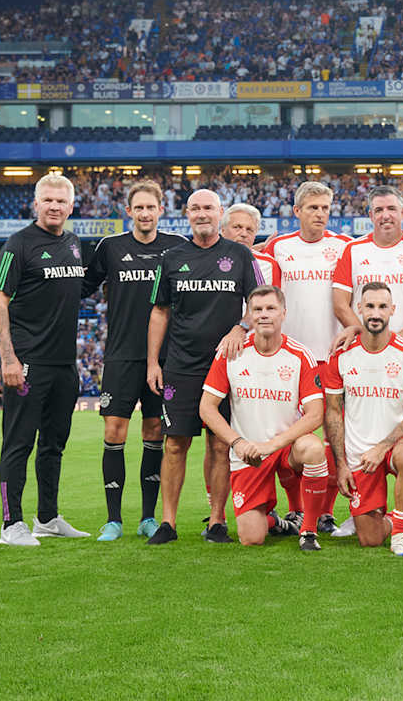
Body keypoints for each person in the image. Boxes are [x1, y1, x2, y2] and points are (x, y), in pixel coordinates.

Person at [145, 189, 262, 545]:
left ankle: (216, 522)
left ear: (219, 212)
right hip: (180, 365)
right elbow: (159, 311)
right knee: (175, 444)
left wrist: (240, 327)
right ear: (186, 213)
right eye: (195, 208)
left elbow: (259, 302)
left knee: (219, 446)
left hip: (227, 367)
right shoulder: (171, 257)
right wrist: (153, 361)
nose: (202, 213)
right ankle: (168, 523)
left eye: (208, 207)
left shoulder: (240, 255)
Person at [332, 185, 403, 538]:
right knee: (356, 426)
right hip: (364, 354)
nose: (386, 215)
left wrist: (399, 340)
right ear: (370, 214)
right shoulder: (354, 250)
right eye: (378, 210)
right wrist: (362, 333)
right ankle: (359, 508)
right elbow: (341, 302)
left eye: (392, 208)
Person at [0, 172, 90, 546]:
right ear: (36, 203)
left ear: (71, 206)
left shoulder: (76, 243)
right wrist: (9, 359)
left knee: (53, 444)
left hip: (65, 364)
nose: (54, 206)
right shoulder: (18, 244)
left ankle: (46, 517)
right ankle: (10, 524)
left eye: (61, 201)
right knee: (18, 444)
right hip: (28, 362)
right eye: (47, 200)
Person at [81, 179, 184, 541]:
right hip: (121, 354)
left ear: (161, 210)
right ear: (128, 211)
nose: (144, 213)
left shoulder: (176, 247)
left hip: (163, 358)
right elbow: (82, 286)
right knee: (114, 432)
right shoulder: (110, 248)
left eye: (150, 207)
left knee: (155, 432)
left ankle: (147, 518)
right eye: (138, 207)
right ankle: (113, 520)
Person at [199, 286, 325, 547]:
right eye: (257, 309)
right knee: (251, 538)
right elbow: (207, 408)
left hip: (286, 447)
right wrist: (238, 442)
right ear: (250, 315)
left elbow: (315, 415)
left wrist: (273, 445)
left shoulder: (300, 355)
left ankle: (308, 530)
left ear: (283, 314)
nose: (264, 315)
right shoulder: (231, 352)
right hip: (250, 451)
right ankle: (279, 522)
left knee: (313, 448)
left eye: (271, 309)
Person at [263, 181, 352, 538]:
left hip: (332, 355)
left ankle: (326, 513)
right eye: (312, 207)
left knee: (333, 437)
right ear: (296, 211)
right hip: (289, 357)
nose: (319, 214)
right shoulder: (278, 247)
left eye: (325, 208)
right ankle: (297, 510)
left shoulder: (345, 247)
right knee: (287, 434)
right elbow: (253, 259)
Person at [324, 282, 403, 556]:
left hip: (396, 443)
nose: (375, 313)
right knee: (369, 539)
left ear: (393, 310)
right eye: (369, 306)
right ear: (359, 309)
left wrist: (382, 447)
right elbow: (333, 412)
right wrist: (341, 464)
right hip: (360, 451)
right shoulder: (341, 355)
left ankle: (399, 535)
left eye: (382, 306)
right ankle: (402, 522)